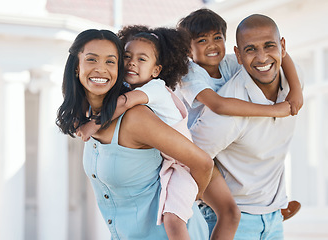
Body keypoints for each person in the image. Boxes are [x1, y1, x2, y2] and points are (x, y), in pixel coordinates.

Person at [55, 29, 212, 239]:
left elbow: (203, 163)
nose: (101, 69)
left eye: (110, 61)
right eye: (92, 59)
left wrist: (188, 198)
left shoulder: (135, 117)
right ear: (77, 66)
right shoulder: (86, 116)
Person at [176, 7, 301, 231]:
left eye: (217, 38)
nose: (212, 45)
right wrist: (274, 110)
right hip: (193, 148)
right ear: (188, 50)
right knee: (229, 212)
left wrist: (296, 90)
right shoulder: (190, 74)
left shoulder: (230, 62)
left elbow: (282, 56)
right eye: (202, 40)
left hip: (258, 200)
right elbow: (220, 105)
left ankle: (275, 207)